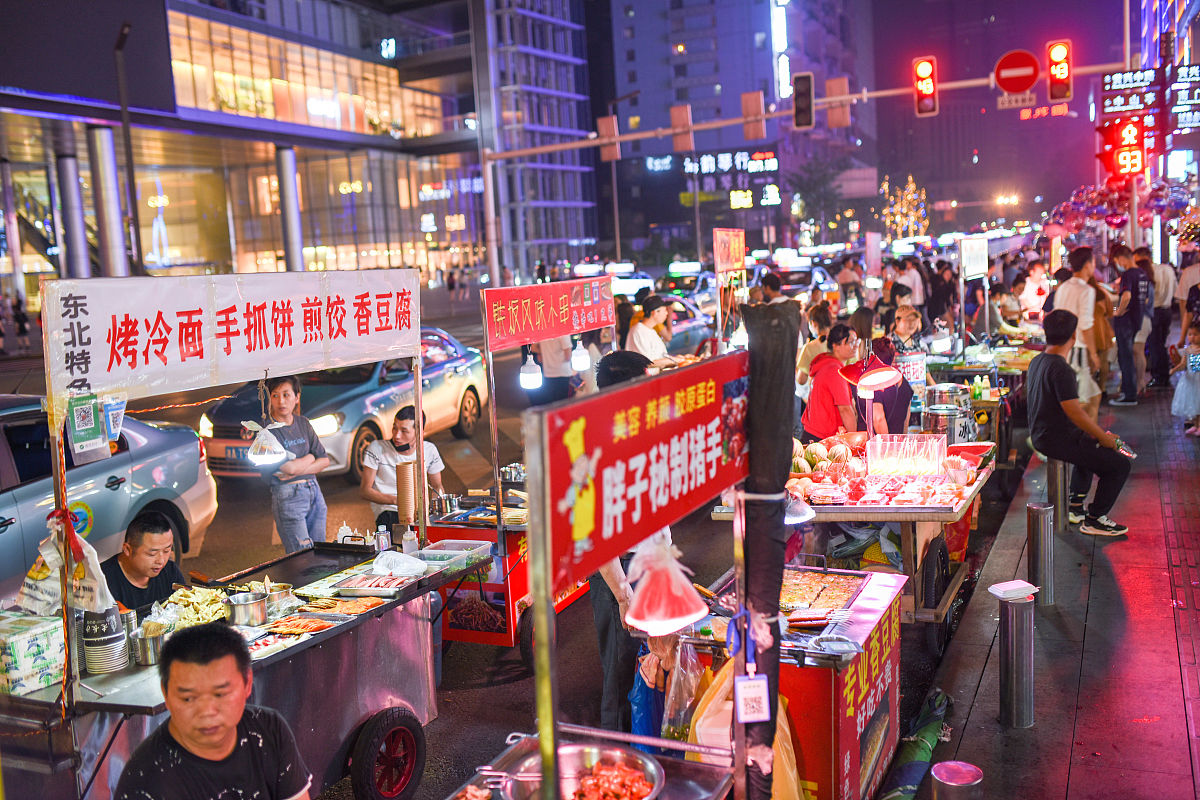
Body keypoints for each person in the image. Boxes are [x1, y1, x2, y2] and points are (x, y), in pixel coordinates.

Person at [114, 623, 312, 800]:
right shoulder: (144, 782)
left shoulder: (268, 730)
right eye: (188, 698)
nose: (207, 712)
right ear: (165, 694)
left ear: (247, 684)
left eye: (220, 694)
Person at [587, 350, 672, 732]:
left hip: (649, 564)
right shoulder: (599, 441)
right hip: (620, 573)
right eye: (648, 377)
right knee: (620, 677)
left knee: (649, 666)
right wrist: (623, 595)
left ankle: (646, 751)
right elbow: (597, 533)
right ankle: (618, 768)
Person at [1027, 310, 1131, 537]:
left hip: (1044, 435)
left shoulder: (1037, 361)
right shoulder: (1061, 369)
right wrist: (1104, 437)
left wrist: (1096, 435)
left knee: (1090, 440)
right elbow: (1074, 412)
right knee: (1120, 465)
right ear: (1073, 337)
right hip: (1055, 440)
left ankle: (1075, 506)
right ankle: (1095, 519)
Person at [262, 375, 330, 553]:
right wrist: (310, 457)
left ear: (297, 397)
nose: (281, 401)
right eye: (275, 395)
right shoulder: (267, 431)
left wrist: (301, 465)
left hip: (314, 491)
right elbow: (288, 468)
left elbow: (325, 460)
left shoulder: (303, 423)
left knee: (320, 551)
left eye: (286, 395)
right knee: (301, 556)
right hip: (288, 495)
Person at [360, 406, 445, 529]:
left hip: (420, 512)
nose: (397, 435)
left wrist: (434, 508)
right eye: (394, 428)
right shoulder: (377, 448)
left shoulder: (429, 450)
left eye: (404, 431)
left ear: (419, 432)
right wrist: (398, 501)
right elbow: (365, 491)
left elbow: (437, 486)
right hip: (389, 511)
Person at [100, 512, 186, 613]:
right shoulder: (102, 582)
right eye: (152, 554)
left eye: (166, 551)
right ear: (127, 549)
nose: (161, 561)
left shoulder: (171, 572)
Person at [1053, 247, 1102, 420]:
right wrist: (1094, 354)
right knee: (1079, 403)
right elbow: (1086, 325)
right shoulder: (1087, 291)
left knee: (1093, 397)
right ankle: (1076, 441)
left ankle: (1091, 439)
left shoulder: (1063, 287)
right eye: (1093, 262)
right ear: (1088, 265)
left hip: (1063, 349)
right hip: (1078, 350)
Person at [800, 323, 859, 443]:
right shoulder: (833, 370)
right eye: (851, 342)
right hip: (820, 439)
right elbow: (845, 410)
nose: (855, 346)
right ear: (836, 345)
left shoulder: (827, 364)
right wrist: (855, 442)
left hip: (815, 434)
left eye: (856, 342)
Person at [1110, 244, 1150, 406]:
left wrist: (1118, 312)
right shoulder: (1142, 274)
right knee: (1128, 356)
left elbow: (1126, 296)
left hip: (1125, 321)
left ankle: (1129, 395)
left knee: (1125, 357)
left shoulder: (1128, 275)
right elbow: (1145, 299)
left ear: (1121, 259)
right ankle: (1130, 392)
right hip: (1137, 319)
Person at [854, 337, 913, 435]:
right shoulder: (903, 381)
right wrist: (902, 442)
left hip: (877, 445)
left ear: (871, 358)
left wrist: (886, 447)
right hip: (897, 443)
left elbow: (878, 419)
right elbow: (906, 417)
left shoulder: (874, 381)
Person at [1136, 246, 1176, 388]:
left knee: (1155, 345)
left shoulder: (1147, 271)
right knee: (1160, 344)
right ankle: (1163, 375)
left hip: (1154, 312)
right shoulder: (1168, 269)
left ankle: (1159, 377)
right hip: (1167, 310)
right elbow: (1175, 291)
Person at [625, 295, 676, 366]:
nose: (667, 313)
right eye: (664, 310)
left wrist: (678, 358)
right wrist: (674, 360)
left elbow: (660, 356)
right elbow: (648, 363)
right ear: (655, 312)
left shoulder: (651, 331)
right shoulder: (639, 331)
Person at [1090, 274, 1116, 399]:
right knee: (1104, 361)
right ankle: (1102, 387)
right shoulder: (1102, 294)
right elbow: (1111, 312)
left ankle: (1091, 388)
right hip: (1103, 329)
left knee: (1090, 361)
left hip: (1089, 330)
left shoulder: (1084, 294)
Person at [1170, 325, 1200, 435]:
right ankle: (1196, 425)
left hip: (1198, 379)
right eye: (1190, 334)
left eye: (1195, 335)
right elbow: (1183, 364)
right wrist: (1174, 370)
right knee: (1194, 401)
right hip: (1190, 378)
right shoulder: (1188, 350)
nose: (1192, 337)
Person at [796, 301, 833, 388]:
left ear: (813, 323)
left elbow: (801, 380)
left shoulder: (809, 347)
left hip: (819, 394)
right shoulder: (841, 342)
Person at [532, 334, 573, 403]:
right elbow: (568, 357)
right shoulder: (563, 331)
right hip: (563, 372)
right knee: (563, 403)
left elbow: (533, 348)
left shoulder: (543, 330)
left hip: (548, 373)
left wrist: (544, 354)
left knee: (552, 403)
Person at [1177, 252, 1200, 348]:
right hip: (1196, 337)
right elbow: (1188, 314)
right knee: (1195, 361)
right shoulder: (1194, 290)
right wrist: (1182, 338)